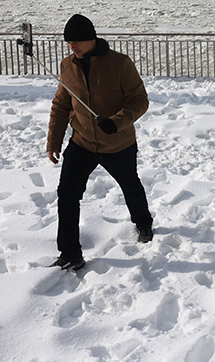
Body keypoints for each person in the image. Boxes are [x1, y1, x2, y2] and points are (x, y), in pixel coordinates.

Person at [46, 14, 153, 271]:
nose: (73, 46)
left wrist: (116, 122)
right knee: (67, 195)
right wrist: (54, 142)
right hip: (82, 142)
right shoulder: (67, 65)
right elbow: (61, 105)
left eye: (77, 41)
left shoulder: (119, 63)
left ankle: (143, 223)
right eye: (69, 42)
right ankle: (70, 253)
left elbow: (140, 100)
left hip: (117, 143)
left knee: (130, 185)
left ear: (92, 38)